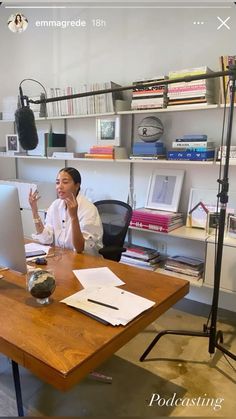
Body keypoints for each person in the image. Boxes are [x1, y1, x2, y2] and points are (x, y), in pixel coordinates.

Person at [29, 167, 103, 255]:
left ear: (77, 185)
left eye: (65, 182)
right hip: (62, 257)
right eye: (57, 182)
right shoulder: (55, 205)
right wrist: (34, 211)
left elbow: (80, 248)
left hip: (85, 261)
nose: (59, 186)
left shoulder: (89, 209)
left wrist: (74, 217)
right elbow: (46, 239)